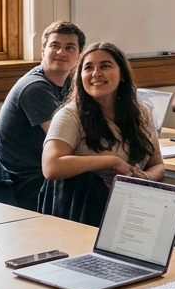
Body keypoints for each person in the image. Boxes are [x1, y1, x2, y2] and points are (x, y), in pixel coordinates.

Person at [41, 42, 164, 188]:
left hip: (131, 199)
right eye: (88, 68)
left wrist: (145, 178)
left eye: (105, 66)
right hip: (88, 204)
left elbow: (158, 165)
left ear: (122, 74)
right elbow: (51, 167)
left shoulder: (141, 112)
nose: (96, 73)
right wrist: (112, 161)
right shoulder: (69, 115)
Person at [0, 21, 85, 209]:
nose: (61, 52)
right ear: (43, 50)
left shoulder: (68, 84)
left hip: (38, 174)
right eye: (55, 46)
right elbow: (65, 139)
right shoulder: (35, 88)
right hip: (20, 183)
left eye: (69, 47)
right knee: (92, 183)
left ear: (79, 55)